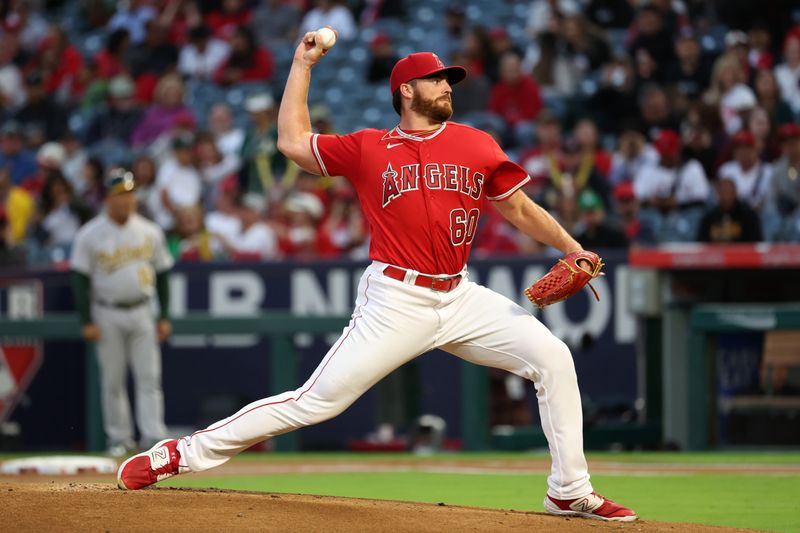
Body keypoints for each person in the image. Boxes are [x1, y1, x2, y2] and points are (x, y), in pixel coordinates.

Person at [116, 37, 637, 523]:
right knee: (314, 402)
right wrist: (302, 66)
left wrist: (573, 248)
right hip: (396, 298)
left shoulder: (476, 144)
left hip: (459, 294)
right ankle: (177, 454)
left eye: (448, 79)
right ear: (406, 90)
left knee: (554, 358)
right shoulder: (369, 146)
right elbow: (293, 143)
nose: (447, 86)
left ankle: (569, 488)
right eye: (436, 79)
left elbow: (519, 208)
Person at [70, 169, 173, 457]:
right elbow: (80, 278)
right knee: (113, 380)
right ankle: (120, 438)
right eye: (121, 195)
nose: (128, 200)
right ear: (108, 199)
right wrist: (86, 320)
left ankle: (154, 437)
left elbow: (163, 273)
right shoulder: (90, 234)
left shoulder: (149, 231)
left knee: (149, 378)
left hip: (143, 310)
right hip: (107, 312)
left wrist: (164, 315)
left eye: (130, 194)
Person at [697, 178, 762, 243]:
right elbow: (701, 243)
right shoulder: (709, 217)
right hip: (715, 252)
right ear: (718, 194)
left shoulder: (748, 216)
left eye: (729, 192)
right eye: (723, 192)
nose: (726, 197)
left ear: (735, 193)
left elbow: (756, 243)